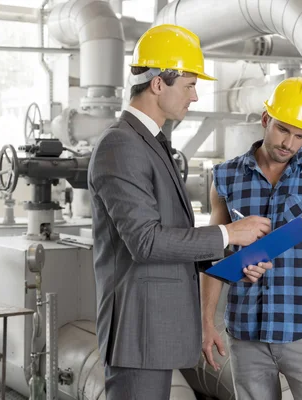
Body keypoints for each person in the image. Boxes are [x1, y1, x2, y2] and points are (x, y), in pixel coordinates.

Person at [87, 24, 272, 400]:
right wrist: (229, 233)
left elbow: (172, 238)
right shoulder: (121, 145)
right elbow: (146, 242)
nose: (195, 95)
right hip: (138, 332)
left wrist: (234, 262)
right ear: (158, 83)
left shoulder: (152, 143)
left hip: (158, 328)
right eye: (188, 85)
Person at [200, 77, 302, 400]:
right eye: (282, 130)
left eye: (300, 136)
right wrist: (205, 321)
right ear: (265, 120)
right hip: (245, 333)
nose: (289, 143)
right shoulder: (226, 177)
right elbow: (214, 254)